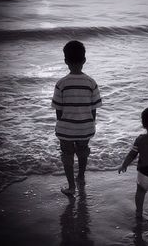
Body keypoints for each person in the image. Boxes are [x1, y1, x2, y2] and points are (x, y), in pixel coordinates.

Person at [52, 40, 102, 196]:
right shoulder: (91, 83)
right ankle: (81, 176)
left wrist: (64, 123)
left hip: (66, 129)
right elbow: (93, 109)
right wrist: (90, 124)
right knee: (83, 151)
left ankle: (71, 186)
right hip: (85, 128)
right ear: (84, 60)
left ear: (65, 61)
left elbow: (58, 111)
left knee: (67, 155)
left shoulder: (61, 84)